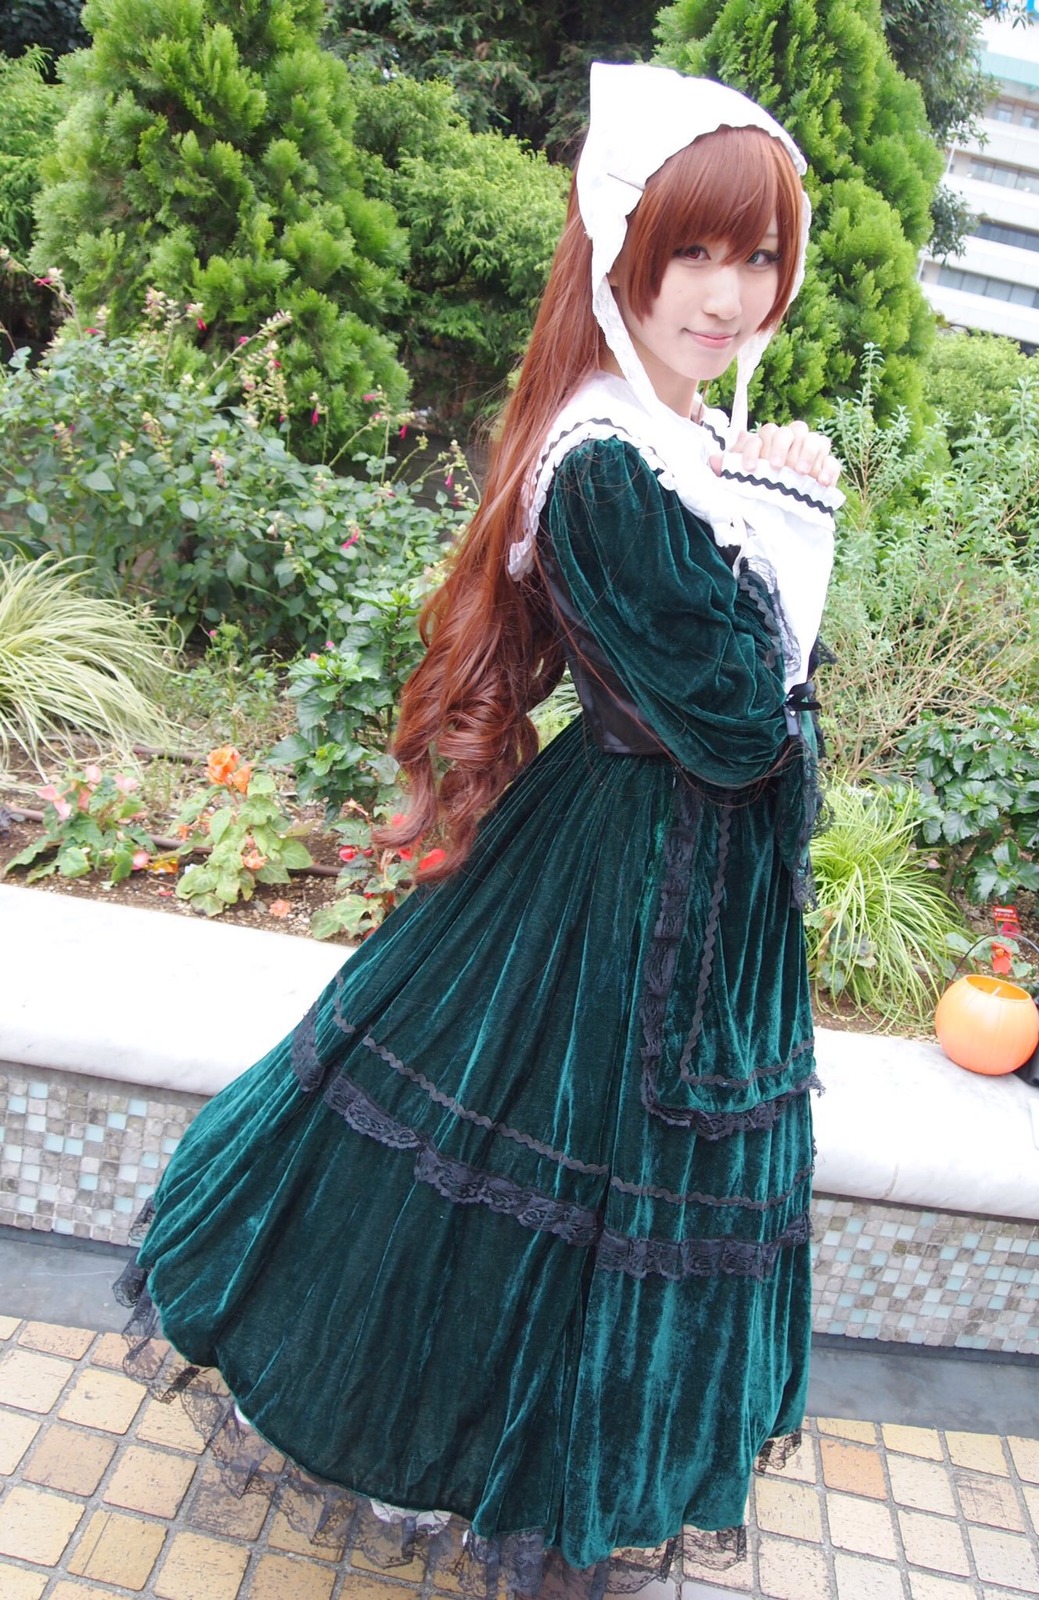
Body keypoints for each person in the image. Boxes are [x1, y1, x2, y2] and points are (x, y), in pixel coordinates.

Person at [121, 63, 843, 1597]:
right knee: (545, 1178)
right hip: (626, 885)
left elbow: (744, 697)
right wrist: (793, 537)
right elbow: (732, 718)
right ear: (620, 255)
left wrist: (769, 535)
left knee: (594, 1197)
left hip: (683, 883)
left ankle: (570, 1466)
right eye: (696, 254)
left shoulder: (681, 432)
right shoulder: (605, 463)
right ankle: (476, 1461)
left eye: (760, 255)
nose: (731, 295)